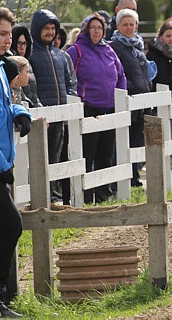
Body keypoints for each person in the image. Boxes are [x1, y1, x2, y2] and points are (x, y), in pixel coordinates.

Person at [0, 7, 31, 318]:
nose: (8, 39)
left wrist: (19, 113)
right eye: (1, 33)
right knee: (11, 224)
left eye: (10, 34)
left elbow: (2, 106)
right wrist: (0, 164)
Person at [66, 13, 127, 204]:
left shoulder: (109, 50)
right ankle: (85, 197)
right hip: (87, 109)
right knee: (87, 154)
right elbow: (68, 78)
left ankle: (102, 196)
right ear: (86, 29)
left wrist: (121, 97)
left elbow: (121, 75)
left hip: (108, 109)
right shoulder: (76, 50)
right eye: (92, 27)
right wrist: (77, 99)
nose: (96, 31)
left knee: (105, 154)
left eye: (99, 28)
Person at [29, 9, 75, 203]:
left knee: (57, 158)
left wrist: (71, 100)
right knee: (41, 159)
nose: (50, 32)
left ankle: (53, 195)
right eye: (46, 28)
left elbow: (70, 82)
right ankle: (41, 197)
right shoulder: (31, 54)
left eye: (52, 28)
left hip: (61, 116)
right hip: (42, 119)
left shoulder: (60, 55)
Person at [109, 8, 156, 187]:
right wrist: (132, 88)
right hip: (127, 99)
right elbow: (117, 74)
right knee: (124, 141)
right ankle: (124, 179)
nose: (129, 28)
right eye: (125, 24)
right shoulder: (115, 47)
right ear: (118, 26)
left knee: (137, 140)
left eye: (132, 24)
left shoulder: (138, 46)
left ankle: (134, 177)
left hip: (142, 100)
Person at [10, 25, 40, 108]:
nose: (22, 47)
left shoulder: (28, 64)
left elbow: (34, 94)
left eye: (24, 43)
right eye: (19, 43)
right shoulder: (11, 65)